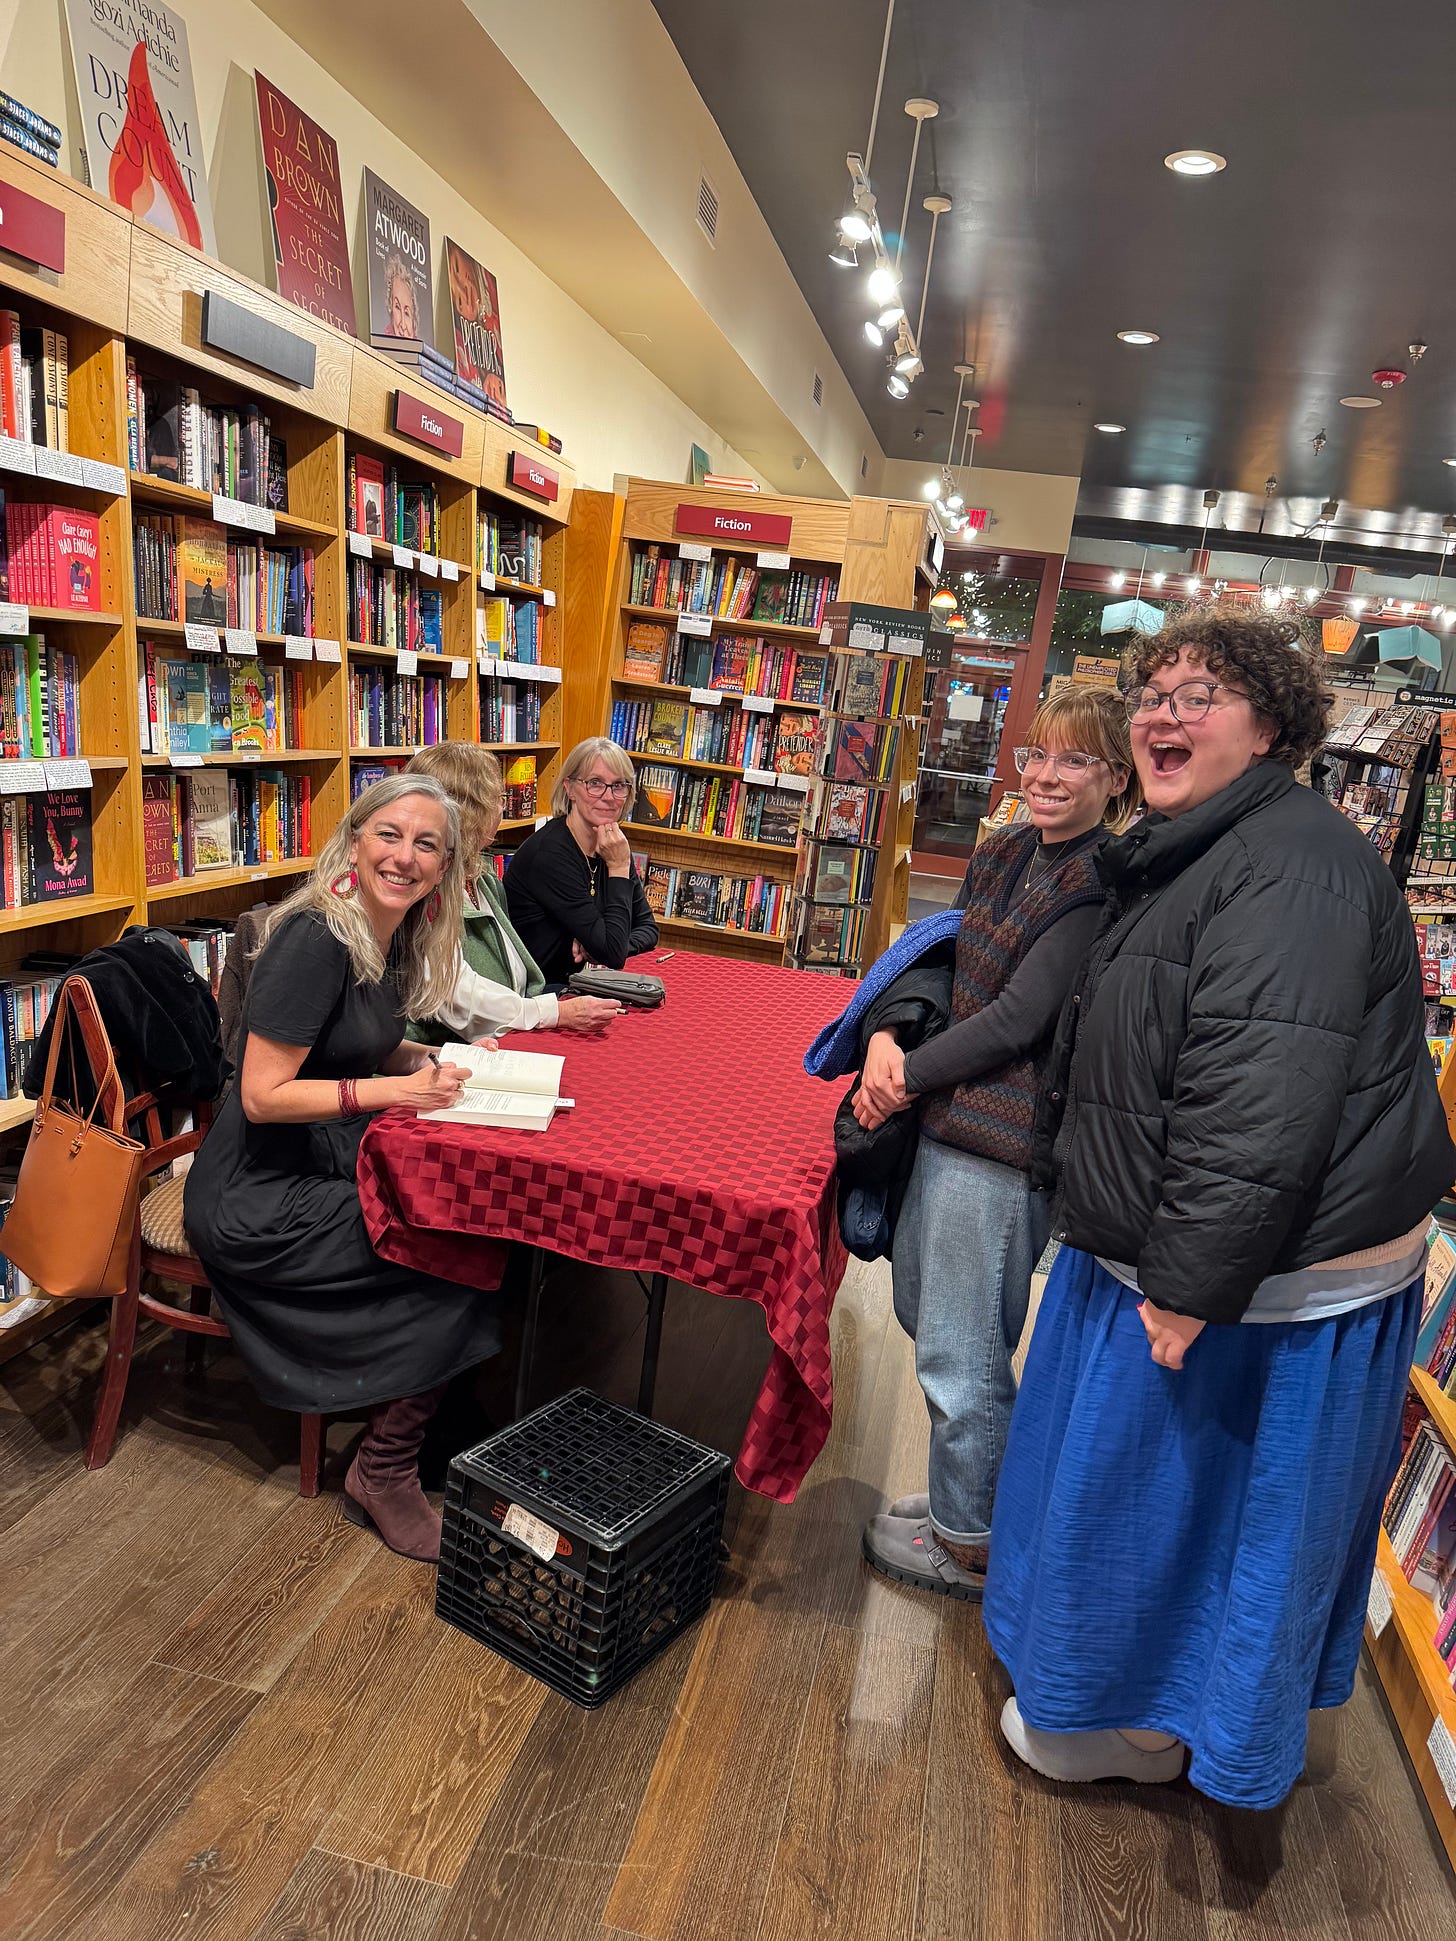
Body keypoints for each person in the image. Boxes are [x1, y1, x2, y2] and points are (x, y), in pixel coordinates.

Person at [986, 608, 1456, 1808]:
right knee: (1150, 1509)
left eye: (1199, 696)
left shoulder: (1291, 865)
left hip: (1252, 1284)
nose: (1162, 714)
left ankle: (1141, 1727)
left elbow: (1262, 1097)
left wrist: (1193, 1282)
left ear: (1270, 729)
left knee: (1177, 1518)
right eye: (1152, 693)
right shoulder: (1207, 841)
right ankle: (1112, 1702)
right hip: (1192, 1254)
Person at [850, 688, 1137, 1600]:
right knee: (929, 1317)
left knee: (964, 1356)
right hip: (945, 1122)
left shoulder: (1097, 881)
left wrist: (905, 1073)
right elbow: (943, 959)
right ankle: (961, 1501)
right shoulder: (1007, 848)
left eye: (1075, 759)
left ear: (1117, 778)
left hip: (1001, 1151)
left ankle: (969, 1541)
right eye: (1036, 754)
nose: (1047, 775)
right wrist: (885, 1035)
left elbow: (1021, 1018)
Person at [183, 773, 502, 1566]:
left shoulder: (386, 931)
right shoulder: (316, 937)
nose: (405, 856)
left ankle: (423, 1414)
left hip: (319, 1161)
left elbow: (360, 1043)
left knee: (474, 1219)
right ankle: (383, 1467)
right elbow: (261, 1095)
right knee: (454, 1245)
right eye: (389, 834)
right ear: (354, 841)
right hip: (255, 1193)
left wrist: (438, 1057)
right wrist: (400, 1091)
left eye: (427, 844)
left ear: (446, 865)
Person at [404, 743, 624, 1038]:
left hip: (511, 1030)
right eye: (498, 798)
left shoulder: (482, 878)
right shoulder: (427, 890)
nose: (503, 807)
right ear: (472, 810)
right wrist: (553, 1012)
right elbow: (454, 993)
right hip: (450, 1049)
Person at [504, 736, 658, 988]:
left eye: (619, 785)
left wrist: (605, 945)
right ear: (570, 788)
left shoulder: (613, 845)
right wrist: (618, 869)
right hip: (533, 993)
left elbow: (648, 929)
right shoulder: (550, 854)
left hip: (573, 984)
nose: (608, 796)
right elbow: (613, 954)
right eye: (595, 783)